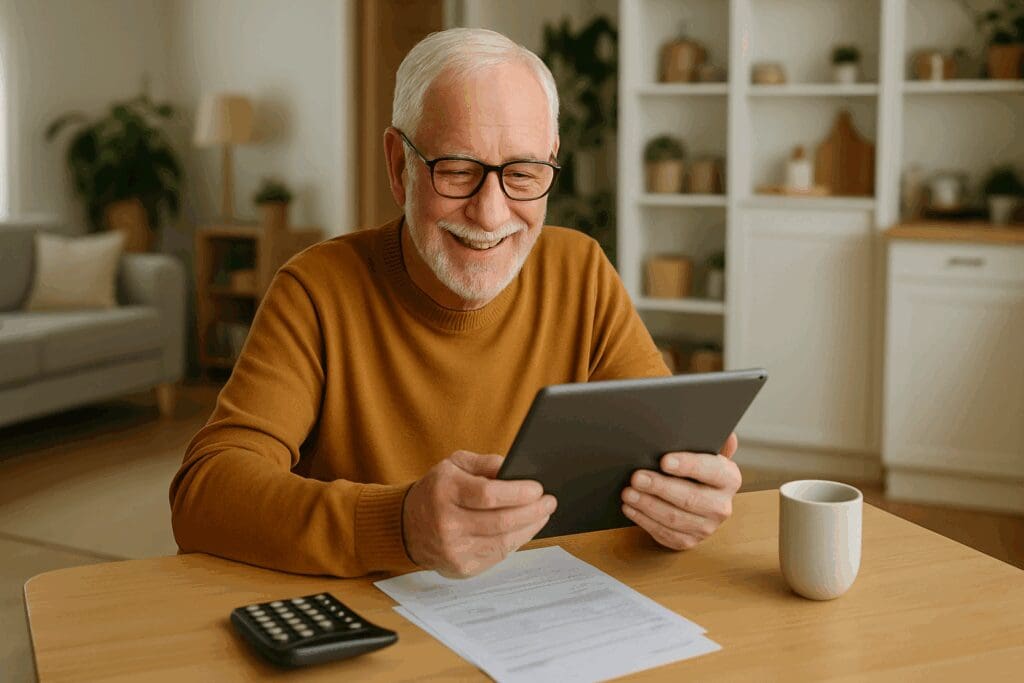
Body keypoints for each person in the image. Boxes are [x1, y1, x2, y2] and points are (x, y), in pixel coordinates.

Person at [169, 27, 741, 580]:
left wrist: (687, 496)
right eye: (458, 171)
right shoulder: (316, 290)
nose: (491, 214)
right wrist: (397, 524)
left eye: (521, 173)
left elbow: (663, 449)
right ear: (399, 166)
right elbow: (205, 492)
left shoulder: (581, 270)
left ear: (550, 162)